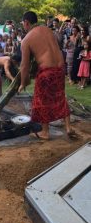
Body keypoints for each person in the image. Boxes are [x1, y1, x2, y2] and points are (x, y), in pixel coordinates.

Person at [18, 11, 76, 140]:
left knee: (41, 101)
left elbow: (24, 65)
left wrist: (22, 83)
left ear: (26, 23)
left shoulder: (26, 40)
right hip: (60, 68)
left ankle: (45, 132)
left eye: (23, 23)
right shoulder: (47, 30)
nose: (23, 26)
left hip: (47, 71)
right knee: (60, 96)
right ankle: (68, 127)